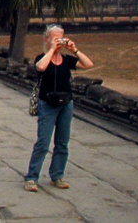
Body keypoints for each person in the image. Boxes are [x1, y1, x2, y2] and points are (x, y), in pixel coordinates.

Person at [24, 24, 94, 192]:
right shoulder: (42, 57)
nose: (58, 41)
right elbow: (40, 67)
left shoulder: (67, 60)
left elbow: (88, 64)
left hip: (66, 103)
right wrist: (52, 50)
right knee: (43, 142)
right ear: (47, 39)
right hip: (47, 103)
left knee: (62, 142)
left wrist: (74, 49)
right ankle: (32, 177)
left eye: (60, 38)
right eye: (54, 38)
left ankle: (57, 175)